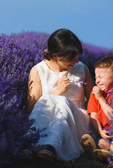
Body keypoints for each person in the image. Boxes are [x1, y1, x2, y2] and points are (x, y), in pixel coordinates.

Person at [27, 28, 94, 162]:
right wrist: (57, 91)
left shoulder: (82, 68)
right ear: (55, 55)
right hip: (47, 121)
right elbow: (32, 108)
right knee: (53, 99)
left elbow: (93, 100)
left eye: (77, 56)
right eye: (70, 58)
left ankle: (49, 146)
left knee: (63, 102)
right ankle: (32, 143)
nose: (75, 61)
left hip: (77, 123)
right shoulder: (38, 70)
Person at [80, 56, 113, 162]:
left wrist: (101, 99)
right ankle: (103, 152)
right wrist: (100, 131)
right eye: (96, 77)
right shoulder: (95, 93)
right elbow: (94, 115)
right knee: (103, 143)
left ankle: (108, 155)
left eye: (101, 77)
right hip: (105, 133)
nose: (97, 81)